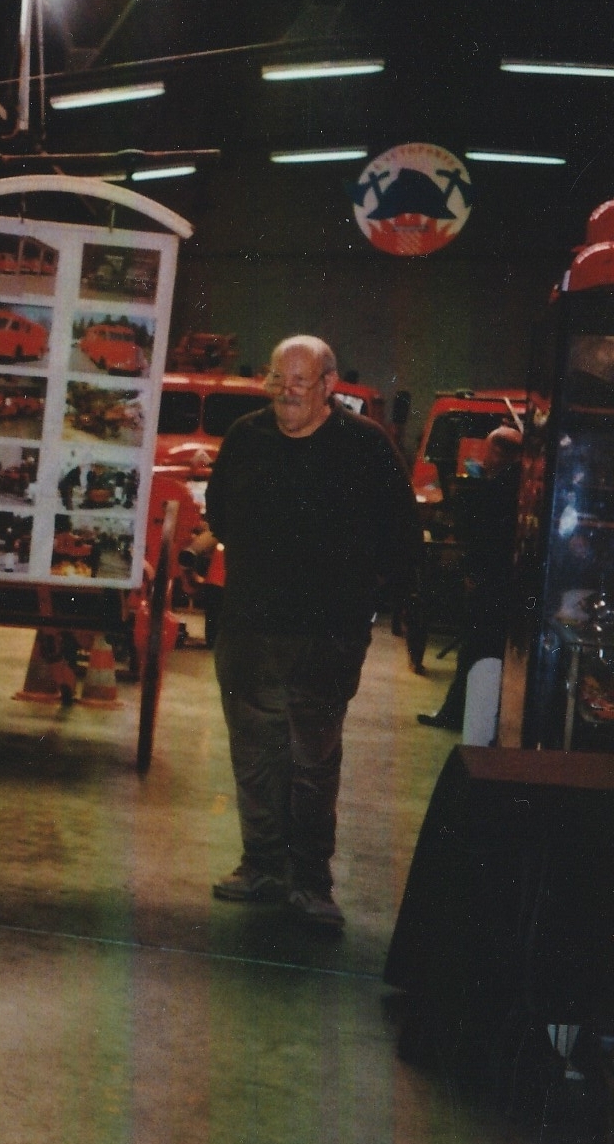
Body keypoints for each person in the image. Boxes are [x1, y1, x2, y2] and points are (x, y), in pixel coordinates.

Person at [206, 335, 422, 929]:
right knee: (255, 755)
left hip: (327, 638)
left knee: (312, 759)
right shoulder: (246, 437)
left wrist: (358, 604)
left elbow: (402, 538)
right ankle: (262, 866)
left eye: (301, 383)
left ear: (329, 385)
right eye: (279, 381)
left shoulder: (366, 447)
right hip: (249, 630)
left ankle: (311, 881)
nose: (288, 394)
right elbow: (217, 514)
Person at [418, 424, 523, 730]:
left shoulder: (502, 485)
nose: (483, 456)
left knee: (475, 649)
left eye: (488, 449)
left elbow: (487, 537)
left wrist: (473, 572)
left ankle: (456, 714)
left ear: (499, 451)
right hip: (503, 581)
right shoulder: (515, 481)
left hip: (491, 582)